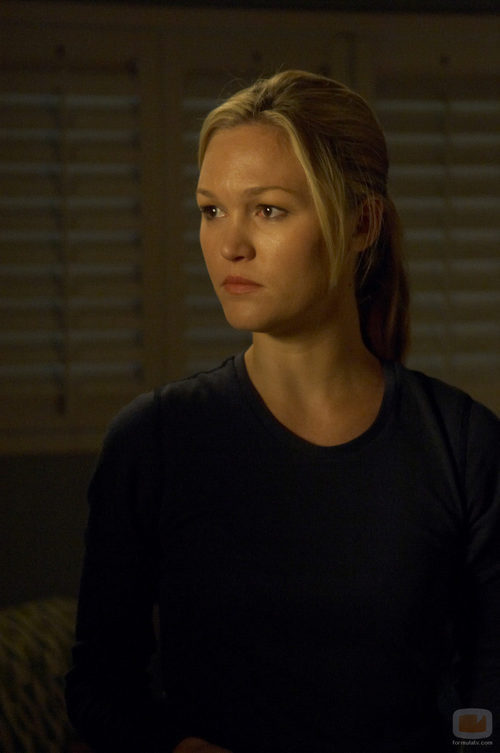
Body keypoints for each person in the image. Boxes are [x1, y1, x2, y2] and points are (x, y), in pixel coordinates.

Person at [65, 70, 499, 753]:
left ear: (362, 224)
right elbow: (99, 687)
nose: (229, 245)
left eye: (267, 210)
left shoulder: (464, 445)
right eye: (212, 210)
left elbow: (490, 700)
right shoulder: (153, 441)